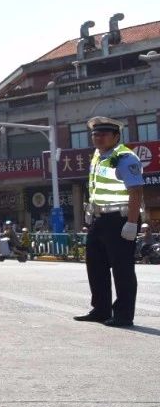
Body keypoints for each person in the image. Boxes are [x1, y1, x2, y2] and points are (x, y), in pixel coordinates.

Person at [73, 117, 144, 328]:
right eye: (95, 134)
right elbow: (97, 186)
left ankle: (123, 314)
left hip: (120, 218)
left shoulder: (125, 157)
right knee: (95, 264)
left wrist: (131, 223)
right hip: (99, 218)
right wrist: (90, 210)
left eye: (103, 134)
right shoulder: (98, 156)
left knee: (122, 268)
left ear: (116, 136)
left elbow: (136, 191)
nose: (98, 138)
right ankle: (101, 309)